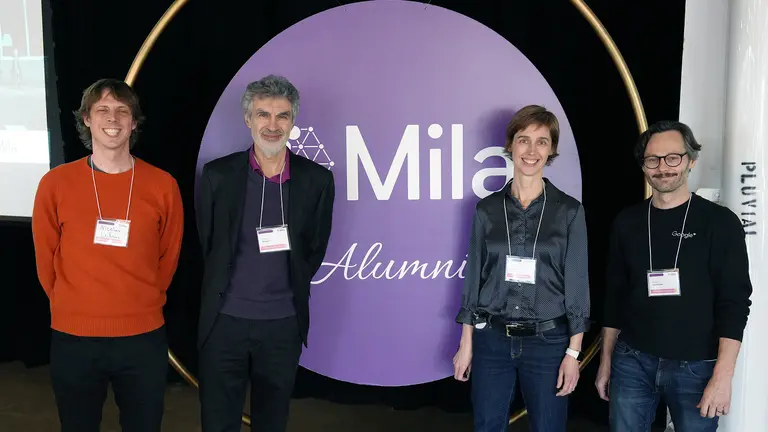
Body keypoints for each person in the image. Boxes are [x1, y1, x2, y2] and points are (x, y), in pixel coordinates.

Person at [31, 79, 184, 432]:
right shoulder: (55, 184)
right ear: (86, 119)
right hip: (75, 338)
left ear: (134, 122)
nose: (112, 119)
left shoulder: (162, 185)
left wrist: (142, 301)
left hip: (142, 337)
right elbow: (45, 256)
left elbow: (169, 254)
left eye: (122, 111)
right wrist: (72, 305)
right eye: (102, 110)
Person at [196, 74, 335, 432]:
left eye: (282, 116)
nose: (272, 125)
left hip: (282, 324)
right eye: (263, 115)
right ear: (248, 119)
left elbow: (314, 249)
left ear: (293, 121)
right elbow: (208, 241)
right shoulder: (218, 176)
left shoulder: (316, 180)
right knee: (218, 420)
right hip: (224, 321)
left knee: (272, 420)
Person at [595, 121, 753, 432]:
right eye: (653, 159)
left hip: (697, 368)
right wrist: (605, 362)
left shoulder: (720, 223)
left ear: (691, 160)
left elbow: (734, 304)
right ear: (644, 166)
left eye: (673, 158)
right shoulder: (627, 222)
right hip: (632, 362)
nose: (662, 167)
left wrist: (722, 377)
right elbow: (613, 298)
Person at [453, 105, 591, 432]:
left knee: (548, 427)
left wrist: (574, 353)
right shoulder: (486, 209)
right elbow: (475, 277)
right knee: (487, 425)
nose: (531, 150)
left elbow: (577, 284)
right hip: (493, 341)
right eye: (523, 140)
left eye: (542, 142)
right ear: (511, 146)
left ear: (552, 150)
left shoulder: (569, 211)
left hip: (548, 342)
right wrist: (466, 342)